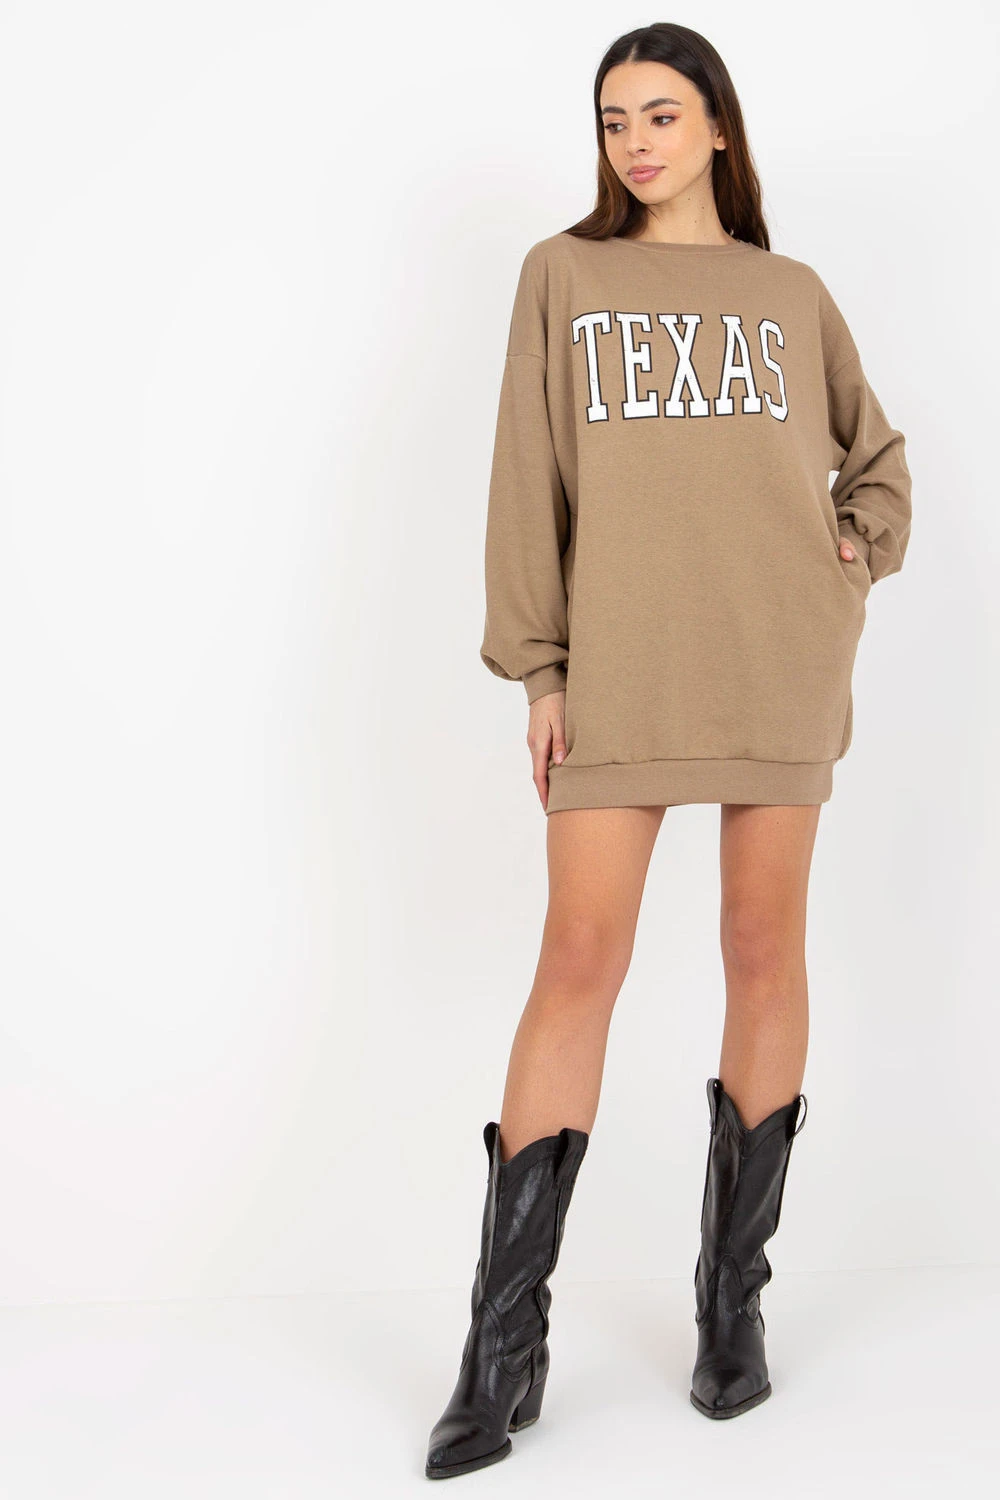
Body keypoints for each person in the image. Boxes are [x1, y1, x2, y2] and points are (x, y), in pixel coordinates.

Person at [425, 20, 911, 1481]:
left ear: (716, 129)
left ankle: (730, 1312)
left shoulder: (788, 293)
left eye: (658, 114)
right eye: (611, 119)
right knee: (579, 957)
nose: (633, 142)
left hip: (775, 658)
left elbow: (877, 460)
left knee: (764, 948)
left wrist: (850, 555)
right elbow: (526, 479)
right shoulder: (564, 277)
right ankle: (501, 1350)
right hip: (621, 670)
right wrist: (541, 669)